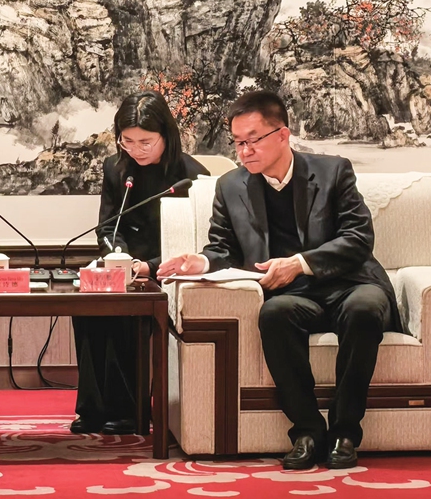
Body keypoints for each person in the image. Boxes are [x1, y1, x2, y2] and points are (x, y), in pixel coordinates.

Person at [158, 90, 401, 471]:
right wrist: (199, 260)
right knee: (274, 314)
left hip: (349, 282)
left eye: (253, 140)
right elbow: (223, 248)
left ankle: (345, 432)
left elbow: (358, 239)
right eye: (238, 142)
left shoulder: (333, 171)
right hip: (293, 296)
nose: (244, 151)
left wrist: (301, 263)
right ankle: (307, 431)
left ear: (283, 135)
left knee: (364, 309)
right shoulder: (231, 187)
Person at [71, 91, 210, 435]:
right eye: (127, 141)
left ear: (167, 135)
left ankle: (129, 410)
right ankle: (92, 408)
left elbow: (200, 244)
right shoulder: (116, 169)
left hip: (170, 269)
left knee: (126, 309)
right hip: (125, 265)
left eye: (146, 141)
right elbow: (107, 226)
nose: (136, 149)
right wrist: (119, 259)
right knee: (87, 303)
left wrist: (148, 266)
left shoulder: (191, 175)